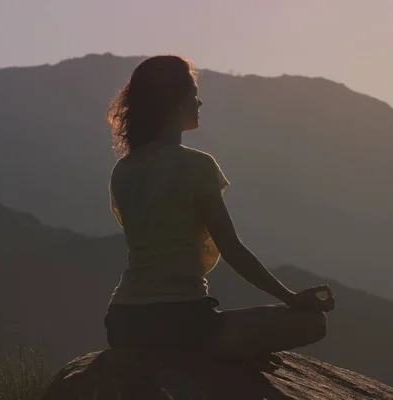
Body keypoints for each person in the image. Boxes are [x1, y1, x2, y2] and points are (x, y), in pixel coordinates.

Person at [103, 55, 335, 367]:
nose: (200, 102)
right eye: (194, 92)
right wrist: (292, 298)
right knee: (313, 323)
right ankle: (221, 358)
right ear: (176, 100)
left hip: (123, 322)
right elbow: (233, 249)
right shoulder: (197, 166)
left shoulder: (123, 171)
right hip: (183, 322)